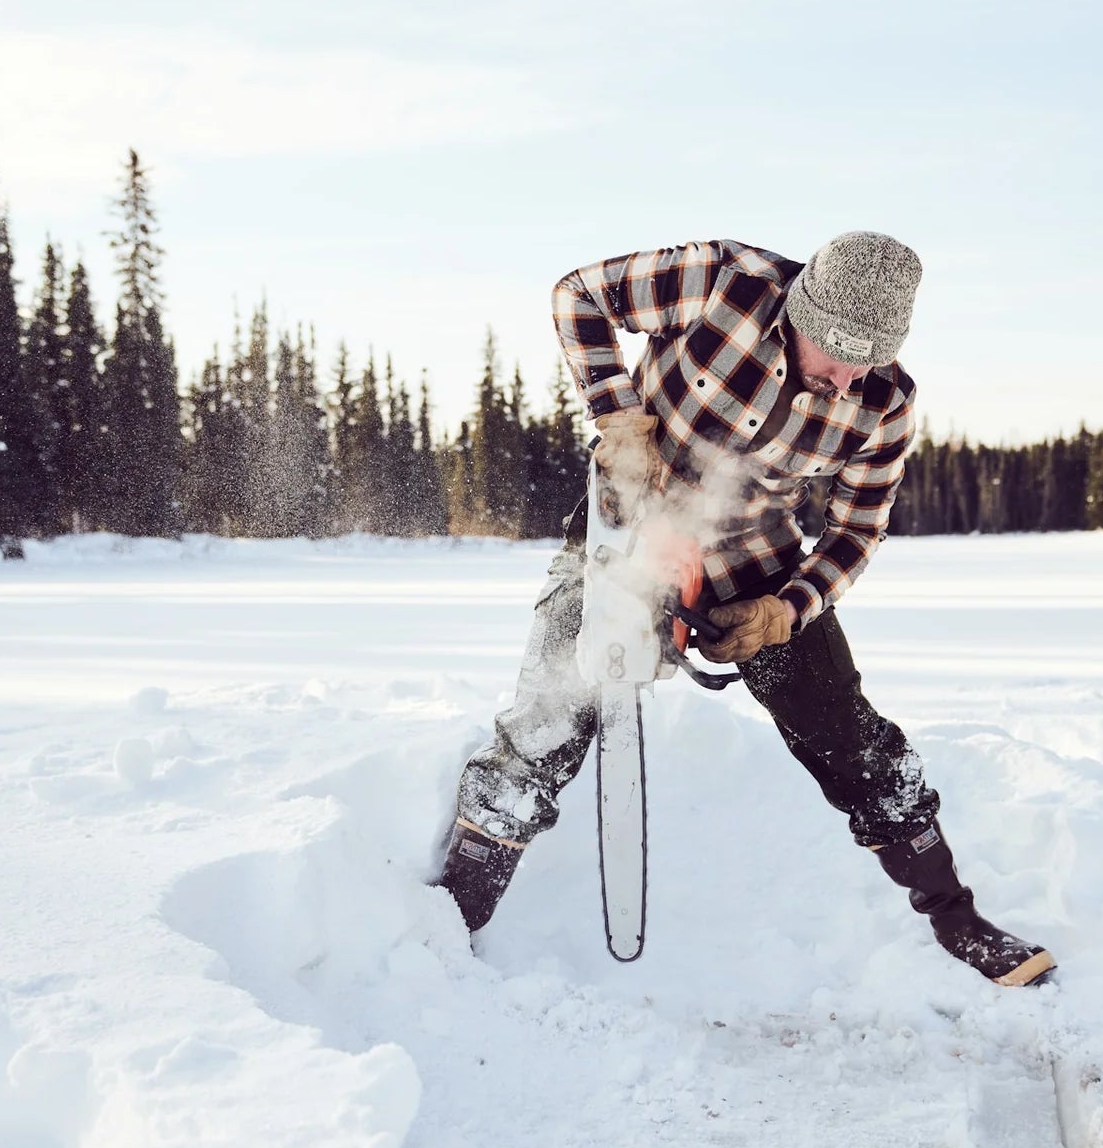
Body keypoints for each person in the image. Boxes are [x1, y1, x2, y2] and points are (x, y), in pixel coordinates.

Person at [432, 233, 1054, 988]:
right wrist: (621, 421)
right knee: (548, 721)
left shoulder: (885, 406)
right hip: (625, 534)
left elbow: (858, 528)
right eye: (831, 352)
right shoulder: (723, 280)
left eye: (865, 360)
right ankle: (448, 926)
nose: (843, 375)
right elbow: (579, 294)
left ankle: (959, 922)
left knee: (854, 743)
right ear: (800, 310)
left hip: (759, 566)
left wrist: (786, 612)